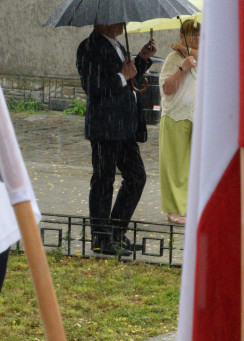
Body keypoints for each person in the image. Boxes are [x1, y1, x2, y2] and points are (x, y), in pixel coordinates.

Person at [76, 22, 156, 256]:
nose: (122, 22)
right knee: (103, 180)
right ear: (102, 20)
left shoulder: (118, 45)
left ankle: (116, 231)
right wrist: (122, 75)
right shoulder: (89, 48)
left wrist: (142, 58)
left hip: (125, 127)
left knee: (136, 177)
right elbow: (92, 86)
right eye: (117, 18)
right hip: (105, 127)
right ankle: (101, 238)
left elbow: (130, 75)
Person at [158, 18, 200, 225]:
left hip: (198, 119)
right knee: (175, 166)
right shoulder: (173, 59)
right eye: (192, 34)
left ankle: (191, 206)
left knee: (194, 166)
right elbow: (168, 88)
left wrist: (188, 50)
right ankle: (174, 209)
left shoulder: (204, 57)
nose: (198, 38)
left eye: (200, 33)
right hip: (176, 116)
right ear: (182, 36)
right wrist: (182, 68)